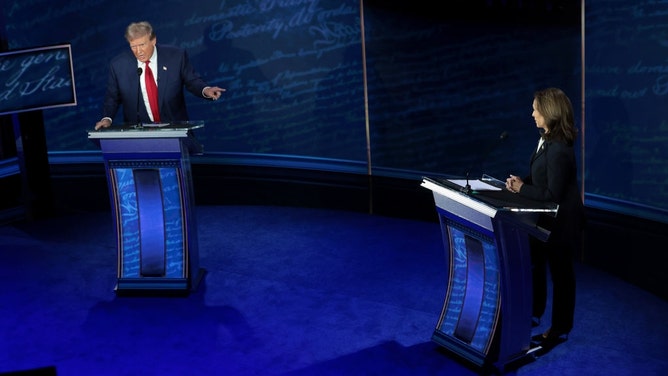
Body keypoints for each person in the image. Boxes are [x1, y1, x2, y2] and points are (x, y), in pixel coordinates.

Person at [505, 87, 586, 348]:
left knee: (562, 275)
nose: (532, 114)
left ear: (549, 113)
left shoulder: (560, 148)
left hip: (561, 223)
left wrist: (522, 189)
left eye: (535, 109)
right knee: (537, 264)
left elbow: (553, 193)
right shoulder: (548, 140)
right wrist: (523, 182)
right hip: (545, 219)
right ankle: (535, 312)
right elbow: (543, 178)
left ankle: (560, 328)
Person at [95, 21, 225, 130]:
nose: (138, 51)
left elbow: (192, 80)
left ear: (153, 40)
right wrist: (107, 118)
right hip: (138, 134)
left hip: (174, 130)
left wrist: (206, 90)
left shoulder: (175, 56)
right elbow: (112, 97)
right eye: (133, 46)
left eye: (142, 44)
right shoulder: (118, 65)